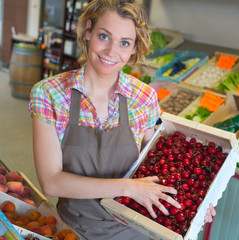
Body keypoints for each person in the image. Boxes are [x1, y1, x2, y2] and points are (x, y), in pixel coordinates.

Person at [29, 0, 215, 239]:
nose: (111, 52)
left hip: (136, 229)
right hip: (74, 229)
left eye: (124, 43)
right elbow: (51, 182)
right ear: (88, 31)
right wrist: (126, 187)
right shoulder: (49, 94)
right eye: (104, 36)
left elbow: (158, 169)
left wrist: (195, 202)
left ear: (134, 49)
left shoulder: (144, 97)